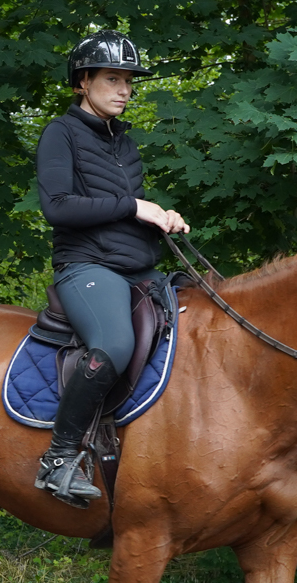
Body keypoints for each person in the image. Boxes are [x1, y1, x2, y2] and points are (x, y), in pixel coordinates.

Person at [32, 30, 189, 506]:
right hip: (86, 267)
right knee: (116, 342)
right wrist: (133, 206)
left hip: (139, 267)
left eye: (129, 81)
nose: (125, 89)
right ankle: (58, 459)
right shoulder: (60, 133)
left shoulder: (124, 142)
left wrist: (162, 218)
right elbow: (58, 207)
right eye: (113, 79)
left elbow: (125, 210)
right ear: (83, 82)